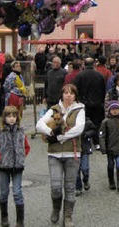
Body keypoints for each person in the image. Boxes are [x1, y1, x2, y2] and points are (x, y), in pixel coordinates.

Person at [36, 83, 85, 227]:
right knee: (56, 186)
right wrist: (50, 132)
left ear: (75, 95)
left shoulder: (80, 109)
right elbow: (39, 124)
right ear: (62, 95)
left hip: (72, 153)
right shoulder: (54, 109)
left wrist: (60, 137)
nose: (68, 95)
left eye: (71, 93)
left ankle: (68, 216)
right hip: (55, 153)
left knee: (70, 187)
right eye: (66, 93)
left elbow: (79, 129)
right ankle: (56, 209)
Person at [0, 105, 30, 227]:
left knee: (17, 192)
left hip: (18, 167)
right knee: (4, 192)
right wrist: (1, 158)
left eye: (14, 116)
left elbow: (26, 147)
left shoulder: (21, 132)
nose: (11, 119)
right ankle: (4, 217)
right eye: (9, 116)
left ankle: (20, 221)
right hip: (4, 167)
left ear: (17, 118)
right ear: (4, 118)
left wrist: (21, 156)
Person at [73, 57, 106, 130]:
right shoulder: (99, 75)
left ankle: (86, 139)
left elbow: (75, 90)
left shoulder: (79, 75)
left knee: (84, 125)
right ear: (94, 64)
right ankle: (96, 139)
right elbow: (103, 90)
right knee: (97, 125)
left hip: (84, 104)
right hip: (97, 104)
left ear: (84, 64)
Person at [75, 117, 97, 196]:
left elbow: (93, 130)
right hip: (73, 149)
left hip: (84, 148)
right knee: (75, 170)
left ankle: (85, 180)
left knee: (85, 168)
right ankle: (78, 187)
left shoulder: (86, 122)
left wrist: (87, 134)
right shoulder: (69, 121)